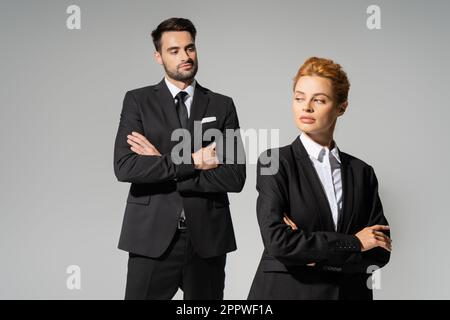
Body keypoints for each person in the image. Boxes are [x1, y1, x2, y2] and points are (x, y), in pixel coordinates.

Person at [113, 17, 246, 300]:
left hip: (207, 239)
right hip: (150, 237)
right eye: (174, 51)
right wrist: (194, 161)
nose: (185, 56)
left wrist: (160, 162)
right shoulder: (137, 101)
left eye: (190, 48)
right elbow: (125, 167)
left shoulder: (222, 105)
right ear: (158, 56)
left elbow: (235, 176)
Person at [248, 57, 391, 300]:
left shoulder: (362, 172)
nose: (306, 107)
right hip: (289, 293)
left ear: (341, 107)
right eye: (299, 97)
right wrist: (354, 243)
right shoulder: (274, 162)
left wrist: (310, 254)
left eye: (319, 100)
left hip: (349, 294)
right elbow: (279, 242)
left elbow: (380, 251)